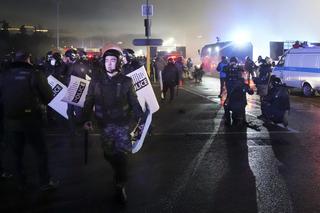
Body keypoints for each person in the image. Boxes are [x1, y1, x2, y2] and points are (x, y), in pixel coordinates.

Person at [82, 48, 145, 204]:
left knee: (122, 155)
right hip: (104, 124)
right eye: (107, 60)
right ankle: (118, 171)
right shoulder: (96, 80)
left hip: (122, 123)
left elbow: (134, 102)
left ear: (119, 62)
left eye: (113, 60)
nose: (109, 63)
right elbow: (89, 100)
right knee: (108, 154)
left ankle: (120, 185)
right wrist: (85, 119)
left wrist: (142, 120)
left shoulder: (126, 81)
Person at [0, 50, 58, 190]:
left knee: (16, 154)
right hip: (32, 120)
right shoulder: (35, 74)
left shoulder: (4, 75)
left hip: (11, 120)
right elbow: (49, 96)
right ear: (28, 59)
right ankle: (44, 182)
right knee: (40, 152)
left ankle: (20, 182)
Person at [224, 56, 254, 127]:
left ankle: (228, 121)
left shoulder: (230, 82)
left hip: (236, 102)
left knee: (226, 105)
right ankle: (240, 120)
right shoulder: (241, 82)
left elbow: (250, 91)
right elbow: (250, 91)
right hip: (238, 103)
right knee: (227, 104)